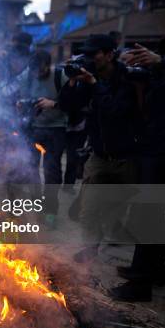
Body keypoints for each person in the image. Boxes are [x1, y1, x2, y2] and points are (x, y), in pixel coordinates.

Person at [58, 34, 141, 263]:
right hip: (99, 154)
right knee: (89, 209)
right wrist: (73, 81)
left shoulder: (126, 79)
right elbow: (67, 106)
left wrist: (95, 85)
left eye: (94, 54)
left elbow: (114, 111)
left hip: (127, 156)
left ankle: (143, 260)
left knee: (132, 209)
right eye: (86, 54)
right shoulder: (89, 78)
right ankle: (91, 249)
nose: (89, 58)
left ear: (109, 54)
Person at [109, 40, 165, 301]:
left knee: (146, 214)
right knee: (148, 213)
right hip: (154, 148)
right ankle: (153, 269)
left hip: (163, 152)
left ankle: (140, 284)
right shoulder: (156, 79)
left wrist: (162, 63)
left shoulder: (163, 68)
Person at [18, 50, 68, 228]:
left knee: (51, 173)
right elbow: (18, 98)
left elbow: (74, 102)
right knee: (30, 170)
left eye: (40, 70)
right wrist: (22, 104)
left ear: (49, 64)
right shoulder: (27, 76)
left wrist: (53, 104)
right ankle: (37, 207)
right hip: (33, 129)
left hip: (56, 130)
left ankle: (51, 212)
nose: (36, 74)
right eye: (33, 70)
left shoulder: (60, 76)